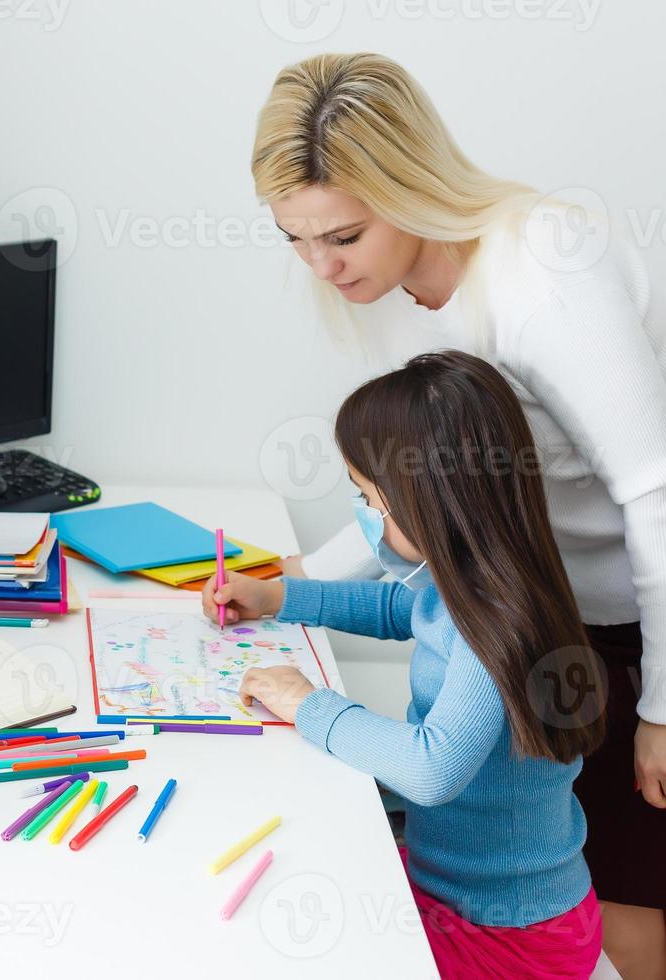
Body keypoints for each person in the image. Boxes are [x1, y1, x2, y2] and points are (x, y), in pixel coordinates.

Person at [250, 52, 666, 979]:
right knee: (620, 902)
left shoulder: (546, 270)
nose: (321, 267)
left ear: (407, 188)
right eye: (295, 239)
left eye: (344, 236)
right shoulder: (389, 295)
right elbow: (414, 494)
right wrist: (291, 585)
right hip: (573, 614)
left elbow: (662, 493)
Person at [209, 351, 605, 978]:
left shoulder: (498, 622)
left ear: (430, 504)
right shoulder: (487, 578)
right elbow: (401, 608)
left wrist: (307, 703)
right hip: (465, 893)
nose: (363, 516)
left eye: (368, 498)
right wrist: (280, 596)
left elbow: (430, 770)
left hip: (509, 937)